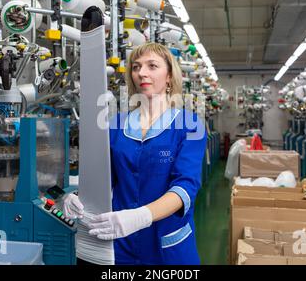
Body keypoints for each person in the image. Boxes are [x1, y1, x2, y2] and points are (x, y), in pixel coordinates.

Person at [63, 43, 207, 264]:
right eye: (136, 67)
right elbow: (101, 180)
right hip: (121, 243)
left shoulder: (190, 125)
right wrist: (75, 197)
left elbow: (186, 187)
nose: (142, 73)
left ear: (169, 76)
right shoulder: (115, 125)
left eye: (152, 66)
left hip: (167, 246)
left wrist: (141, 216)